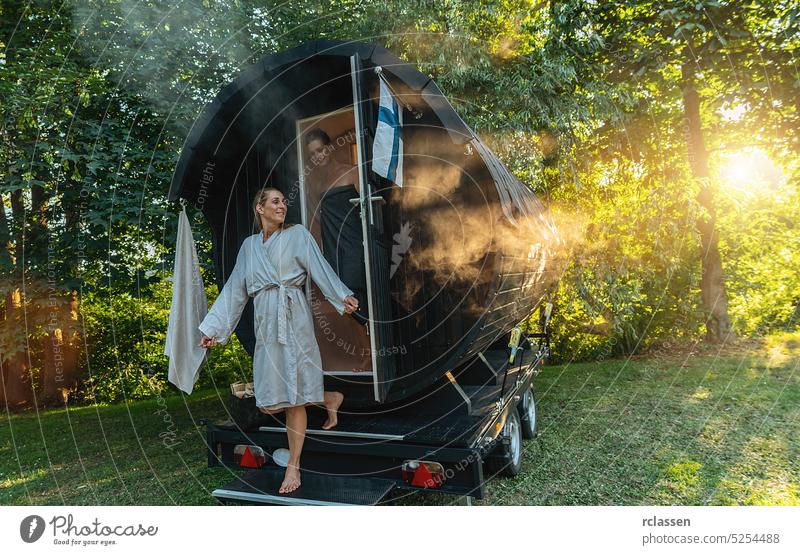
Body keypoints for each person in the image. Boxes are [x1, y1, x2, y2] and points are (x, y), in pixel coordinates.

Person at [198, 186, 359, 494]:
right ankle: (329, 398)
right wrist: (214, 330)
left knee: (293, 398)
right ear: (260, 208)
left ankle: (293, 466)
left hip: (293, 316)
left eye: (284, 201)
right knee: (270, 400)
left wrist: (341, 296)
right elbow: (235, 289)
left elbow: (318, 266)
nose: (282, 206)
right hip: (265, 320)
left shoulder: (297, 235)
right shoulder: (249, 247)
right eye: (275, 201)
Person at [304, 128, 369, 324]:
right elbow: (320, 218)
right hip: (334, 249)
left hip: (354, 246)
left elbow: (367, 208)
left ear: (329, 148)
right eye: (313, 154)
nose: (318, 156)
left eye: (321, 149)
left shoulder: (352, 171)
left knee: (361, 303)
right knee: (345, 303)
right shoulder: (317, 184)